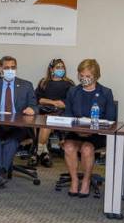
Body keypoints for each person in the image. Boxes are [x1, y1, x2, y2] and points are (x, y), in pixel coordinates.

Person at [61, 59, 116, 197]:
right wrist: (77, 129)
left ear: (96, 76)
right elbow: (67, 114)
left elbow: (111, 119)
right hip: (75, 132)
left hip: (96, 134)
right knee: (68, 146)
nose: (84, 79)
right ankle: (74, 180)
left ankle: (86, 180)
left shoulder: (106, 92)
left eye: (88, 76)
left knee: (87, 148)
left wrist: (91, 130)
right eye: (81, 75)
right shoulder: (73, 91)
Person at [0, 56, 35, 188]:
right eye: (7, 67)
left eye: (13, 67)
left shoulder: (26, 85)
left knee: (12, 140)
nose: (10, 70)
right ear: (1, 69)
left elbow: (35, 105)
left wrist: (32, 109)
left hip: (18, 125)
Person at [33, 58, 74, 167]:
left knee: (45, 123)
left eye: (62, 67)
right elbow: (37, 99)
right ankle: (44, 152)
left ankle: (37, 153)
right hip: (43, 110)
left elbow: (71, 102)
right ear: (51, 69)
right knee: (34, 120)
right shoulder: (44, 82)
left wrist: (60, 104)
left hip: (60, 113)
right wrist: (54, 102)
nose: (61, 69)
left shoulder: (69, 84)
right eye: (58, 67)